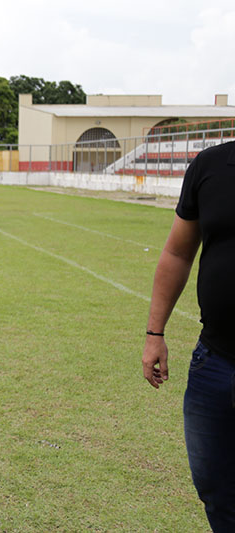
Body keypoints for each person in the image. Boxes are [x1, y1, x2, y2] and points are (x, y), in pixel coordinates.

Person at [142, 140, 235, 532]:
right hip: (214, 361)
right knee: (215, 487)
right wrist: (154, 333)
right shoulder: (210, 166)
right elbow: (178, 254)